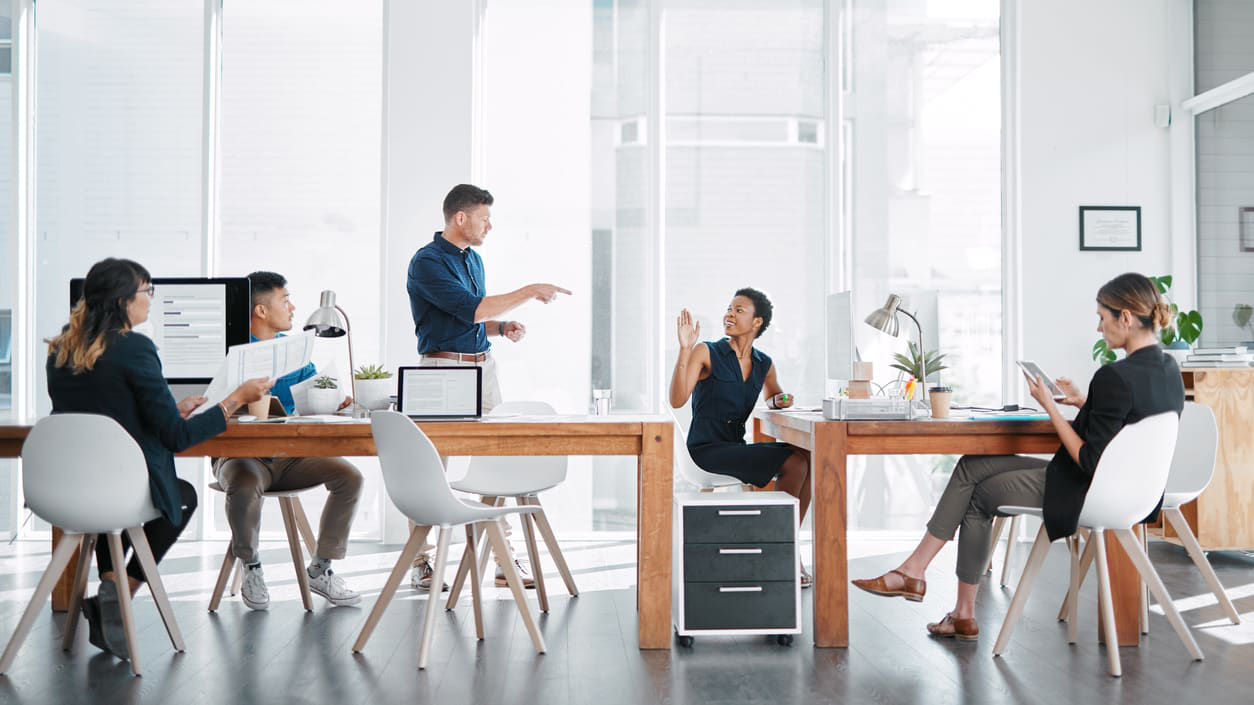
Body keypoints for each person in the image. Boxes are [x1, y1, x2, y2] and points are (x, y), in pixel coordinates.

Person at [851, 272, 1184, 640]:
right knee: (972, 465)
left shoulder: (1114, 376)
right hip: (1137, 494)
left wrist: (1050, 407)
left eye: (1102, 316)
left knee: (976, 492)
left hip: (1086, 491)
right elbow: (1130, 428)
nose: (1098, 326)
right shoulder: (1169, 370)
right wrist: (1082, 403)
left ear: (1125, 317)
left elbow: (1088, 459)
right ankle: (925, 581)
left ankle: (936, 590)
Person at [46, 257, 271, 659]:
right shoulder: (134, 346)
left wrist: (170, 407)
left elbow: (108, 416)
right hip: (119, 488)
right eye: (146, 292)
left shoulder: (62, 349)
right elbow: (177, 438)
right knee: (182, 496)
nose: (151, 300)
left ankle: (111, 587)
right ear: (122, 300)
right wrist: (235, 399)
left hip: (69, 489)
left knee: (106, 508)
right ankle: (122, 590)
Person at [405, 183, 571, 591]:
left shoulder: (473, 259)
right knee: (430, 467)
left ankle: (502, 557)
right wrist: (530, 291)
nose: (489, 227)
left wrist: (500, 327)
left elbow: (472, 318)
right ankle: (422, 561)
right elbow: (472, 308)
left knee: (499, 459)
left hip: (484, 370)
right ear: (460, 218)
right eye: (484, 218)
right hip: (442, 372)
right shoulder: (426, 262)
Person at [211, 271, 364, 610]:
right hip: (240, 456)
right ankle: (251, 565)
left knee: (350, 477)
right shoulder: (231, 352)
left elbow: (317, 391)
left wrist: (337, 399)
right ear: (261, 310)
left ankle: (321, 569)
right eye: (285, 299)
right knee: (245, 481)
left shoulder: (294, 355)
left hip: (288, 457)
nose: (293, 307)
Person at [668, 288, 814, 587]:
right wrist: (684, 349)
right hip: (705, 450)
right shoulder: (705, 351)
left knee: (810, 456)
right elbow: (677, 399)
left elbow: (774, 395)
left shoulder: (764, 363)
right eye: (729, 309)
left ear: (757, 321)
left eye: (738, 310)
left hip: (736, 448)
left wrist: (780, 400)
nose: (729, 314)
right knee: (796, 463)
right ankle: (782, 548)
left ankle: (783, 544)